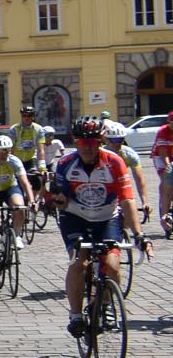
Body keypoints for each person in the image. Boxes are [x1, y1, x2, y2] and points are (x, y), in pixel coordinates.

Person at [46, 116, 149, 339]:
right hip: (75, 216)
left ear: (100, 141)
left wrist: (139, 235)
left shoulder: (115, 162)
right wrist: (56, 199)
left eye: (92, 142)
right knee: (79, 261)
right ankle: (75, 315)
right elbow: (58, 196)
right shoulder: (66, 163)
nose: (87, 148)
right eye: (82, 142)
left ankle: (106, 305)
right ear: (75, 141)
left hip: (107, 217)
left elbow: (127, 200)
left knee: (111, 265)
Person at [0, 134, 33, 283]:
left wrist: (32, 201)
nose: (3, 154)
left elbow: (25, 183)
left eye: (6, 150)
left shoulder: (14, 161)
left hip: (10, 188)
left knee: (19, 207)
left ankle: (16, 234)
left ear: (10, 150)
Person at [11, 105, 46, 188]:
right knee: (19, 184)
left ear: (33, 117)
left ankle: (31, 196)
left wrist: (42, 165)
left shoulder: (39, 129)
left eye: (29, 115)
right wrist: (10, 163)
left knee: (37, 183)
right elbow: (11, 148)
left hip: (30, 159)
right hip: (17, 159)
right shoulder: (14, 129)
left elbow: (41, 149)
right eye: (24, 115)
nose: (26, 118)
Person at [154, 115, 173, 237]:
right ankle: (164, 214)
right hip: (161, 157)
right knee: (166, 181)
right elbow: (163, 154)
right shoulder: (163, 131)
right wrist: (168, 166)